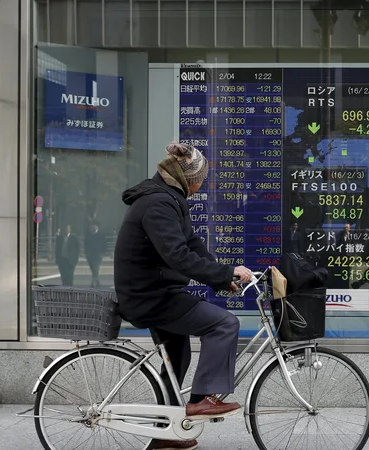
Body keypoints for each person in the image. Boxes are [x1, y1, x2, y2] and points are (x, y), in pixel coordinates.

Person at [114, 141, 253, 450]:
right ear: (191, 179)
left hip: (153, 292)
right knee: (224, 324)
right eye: (202, 179)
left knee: (178, 358)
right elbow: (178, 256)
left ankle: (167, 433)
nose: (203, 184)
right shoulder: (158, 204)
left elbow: (192, 245)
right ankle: (203, 399)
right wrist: (227, 272)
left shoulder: (168, 199)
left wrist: (220, 278)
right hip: (151, 296)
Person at [84, 220, 107, 287]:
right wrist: (86, 253)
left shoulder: (101, 235)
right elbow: (86, 245)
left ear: (97, 227)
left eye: (95, 225)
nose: (93, 227)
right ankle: (97, 282)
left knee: (95, 269)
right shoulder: (88, 235)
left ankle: (93, 284)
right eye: (92, 225)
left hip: (98, 255)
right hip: (90, 255)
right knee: (93, 270)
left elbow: (104, 244)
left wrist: (103, 252)